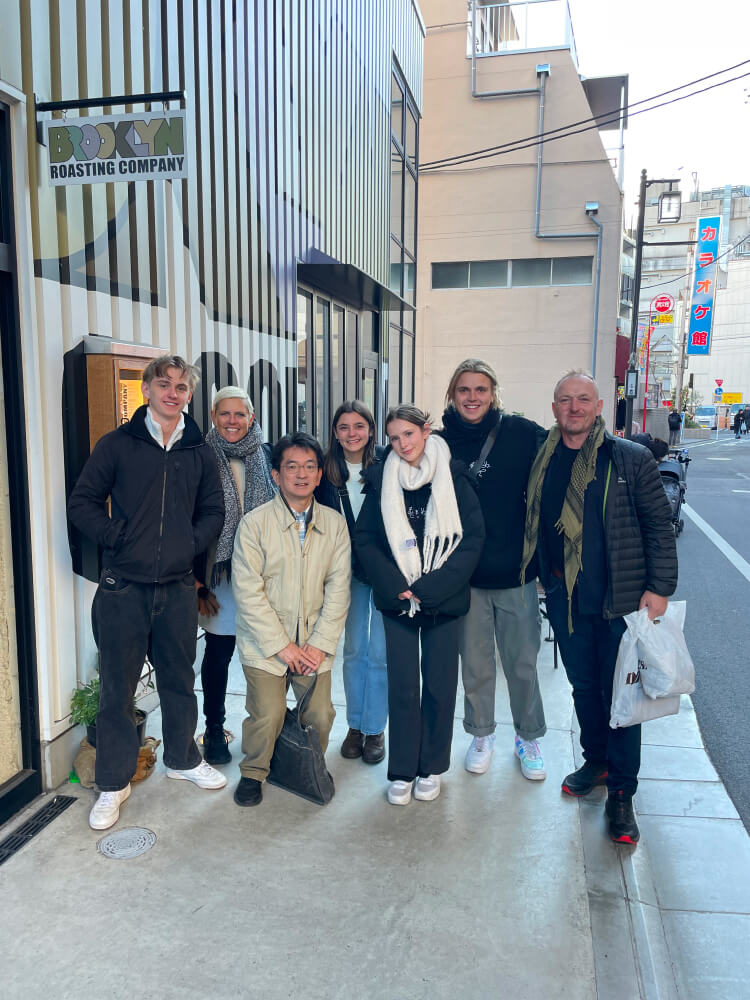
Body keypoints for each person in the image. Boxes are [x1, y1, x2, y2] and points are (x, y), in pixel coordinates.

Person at [68, 354, 227, 831]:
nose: (172, 392)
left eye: (181, 386)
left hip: (178, 589)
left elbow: (214, 510)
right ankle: (112, 783)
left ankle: (182, 757)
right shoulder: (117, 445)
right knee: (117, 689)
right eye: (164, 383)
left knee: (180, 678)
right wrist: (119, 538)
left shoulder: (199, 451)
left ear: (190, 395)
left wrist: (188, 545)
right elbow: (83, 503)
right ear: (147, 390)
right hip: (124, 589)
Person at [521, 370, 677, 845]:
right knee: (584, 691)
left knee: (623, 703)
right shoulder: (542, 459)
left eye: (583, 399)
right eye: (565, 400)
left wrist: (660, 587)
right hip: (568, 605)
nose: (574, 408)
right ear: (553, 409)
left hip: (622, 606)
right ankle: (597, 761)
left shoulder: (628, 459)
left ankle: (622, 795)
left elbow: (659, 526)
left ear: (598, 405)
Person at [355, 406, 484, 805]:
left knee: (441, 687)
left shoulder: (454, 477)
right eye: (394, 438)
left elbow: (472, 540)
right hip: (398, 602)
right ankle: (403, 770)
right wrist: (398, 587)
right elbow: (366, 540)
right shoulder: (381, 480)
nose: (402, 444)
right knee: (404, 687)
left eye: (409, 434)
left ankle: (431, 767)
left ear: (426, 431)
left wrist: (429, 589)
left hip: (442, 601)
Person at [439, 359, 548, 780]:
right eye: (464, 389)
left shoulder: (521, 433)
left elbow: (565, 458)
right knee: (477, 664)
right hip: (464, 574)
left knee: (522, 661)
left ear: (493, 392)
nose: (472, 397)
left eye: (480, 389)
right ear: (452, 393)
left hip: (516, 571)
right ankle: (481, 733)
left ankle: (529, 735)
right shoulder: (439, 441)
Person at [230, 432, 351, 807]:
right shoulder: (254, 524)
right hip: (266, 644)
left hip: (315, 644)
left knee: (320, 713)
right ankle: (254, 771)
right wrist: (282, 646)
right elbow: (248, 592)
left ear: (319, 476)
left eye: (309, 467)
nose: (301, 475)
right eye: (291, 467)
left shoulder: (334, 524)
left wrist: (317, 645)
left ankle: (309, 762)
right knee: (266, 715)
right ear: (276, 474)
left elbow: (339, 589)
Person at [194, 386, 276, 765]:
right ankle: (214, 730)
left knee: (267, 654)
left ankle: (268, 731)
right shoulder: (198, 457)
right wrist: (196, 582)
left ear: (251, 417)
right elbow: (185, 523)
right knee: (219, 652)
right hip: (220, 574)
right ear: (213, 417)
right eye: (224, 414)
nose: (232, 421)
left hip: (264, 571)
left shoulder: (267, 453)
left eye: (239, 414)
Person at [315, 401, 388, 765]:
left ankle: (376, 727)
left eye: (359, 426)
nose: (351, 434)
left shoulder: (389, 464)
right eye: (343, 427)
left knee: (380, 652)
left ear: (371, 430)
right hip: (345, 572)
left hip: (387, 570)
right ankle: (355, 724)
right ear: (335, 432)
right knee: (355, 649)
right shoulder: (325, 471)